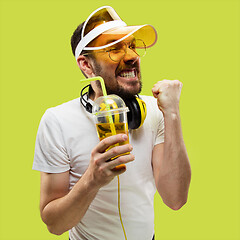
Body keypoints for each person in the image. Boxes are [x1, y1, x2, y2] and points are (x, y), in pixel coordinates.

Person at [33, 6, 191, 240]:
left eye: (132, 46)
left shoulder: (156, 112)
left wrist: (173, 115)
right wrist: (91, 180)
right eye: (114, 49)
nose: (132, 57)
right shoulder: (57, 121)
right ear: (86, 65)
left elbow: (175, 199)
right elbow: (54, 225)